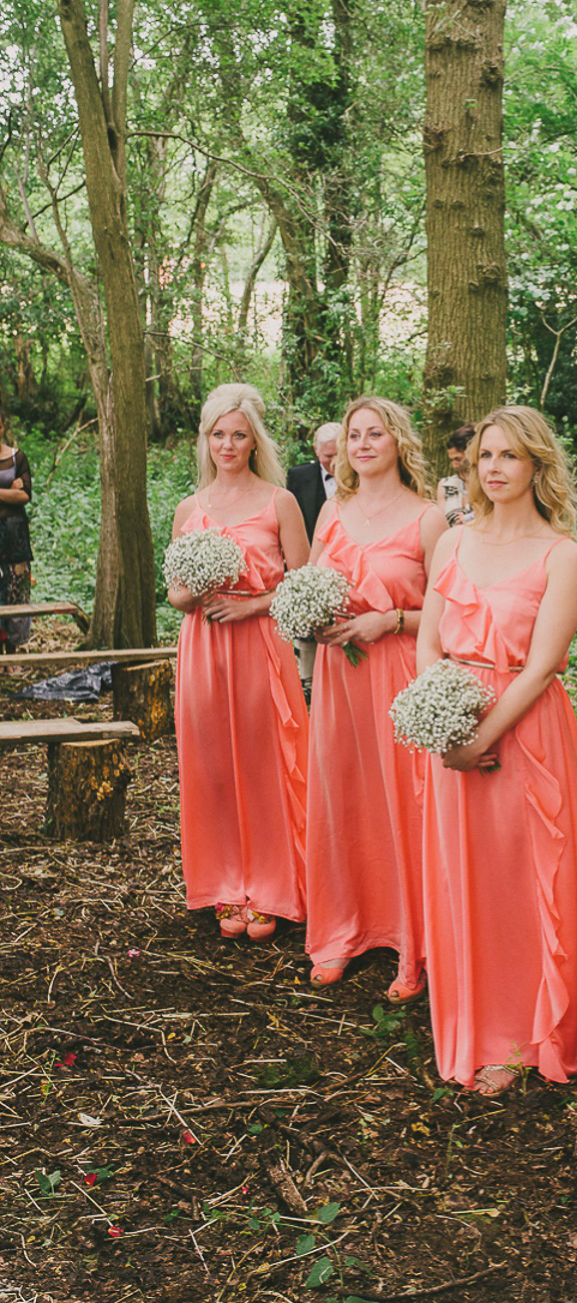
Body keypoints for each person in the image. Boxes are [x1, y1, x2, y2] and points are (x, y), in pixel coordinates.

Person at [417, 407, 577, 1095]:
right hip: (452, 722)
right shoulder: (452, 542)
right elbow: (428, 640)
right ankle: (470, 1014)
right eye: (484, 456)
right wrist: (440, 719)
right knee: (463, 874)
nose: (493, 468)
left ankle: (525, 1029)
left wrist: (486, 733)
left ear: (537, 465)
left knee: (526, 881)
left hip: (523, 727)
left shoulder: (561, 553)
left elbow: (543, 665)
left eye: (508, 456)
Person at [305, 397, 447, 1000]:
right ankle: (343, 929)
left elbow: (448, 618)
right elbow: (307, 588)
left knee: (402, 804)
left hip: (398, 674)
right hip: (339, 677)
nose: (362, 444)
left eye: (375, 434)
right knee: (345, 800)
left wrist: (388, 620)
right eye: (354, 435)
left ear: (398, 443)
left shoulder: (429, 520)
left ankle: (412, 945)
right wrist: (313, 619)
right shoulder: (332, 513)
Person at [168, 383, 311, 941]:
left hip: (259, 645)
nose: (227, 444)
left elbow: (304, 584)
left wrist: (251, 603)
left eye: (238, 435)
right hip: (201, 646)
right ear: (206, 440)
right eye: (218, 434)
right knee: (211, 768)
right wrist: (198, 589)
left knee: (262, 762)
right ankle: (226, 885)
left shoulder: (279, 501)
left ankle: (272, 886)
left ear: (254, 441)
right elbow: (175, 594)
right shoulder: (189, 508)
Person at [287, 422, 342, 692]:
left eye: (337, 455)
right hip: (309, 552)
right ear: (316, 451)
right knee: (308, 625)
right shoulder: (298, 476)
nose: (333, 463)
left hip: (343, 557)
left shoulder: (361, 474)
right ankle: (307, 679)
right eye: (327, 456)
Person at [0, 412, 33, 651]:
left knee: (17, 590)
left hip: (15, 535)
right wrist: (7, 490)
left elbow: (24, 495)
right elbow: (14, 493)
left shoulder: (17, 457)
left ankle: (15, 652)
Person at [436, 424, 475, 527]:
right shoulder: (446, 485)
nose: (454, 465)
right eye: (451, 460)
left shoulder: (489, 485)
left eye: (458, 459)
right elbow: (442, 523)